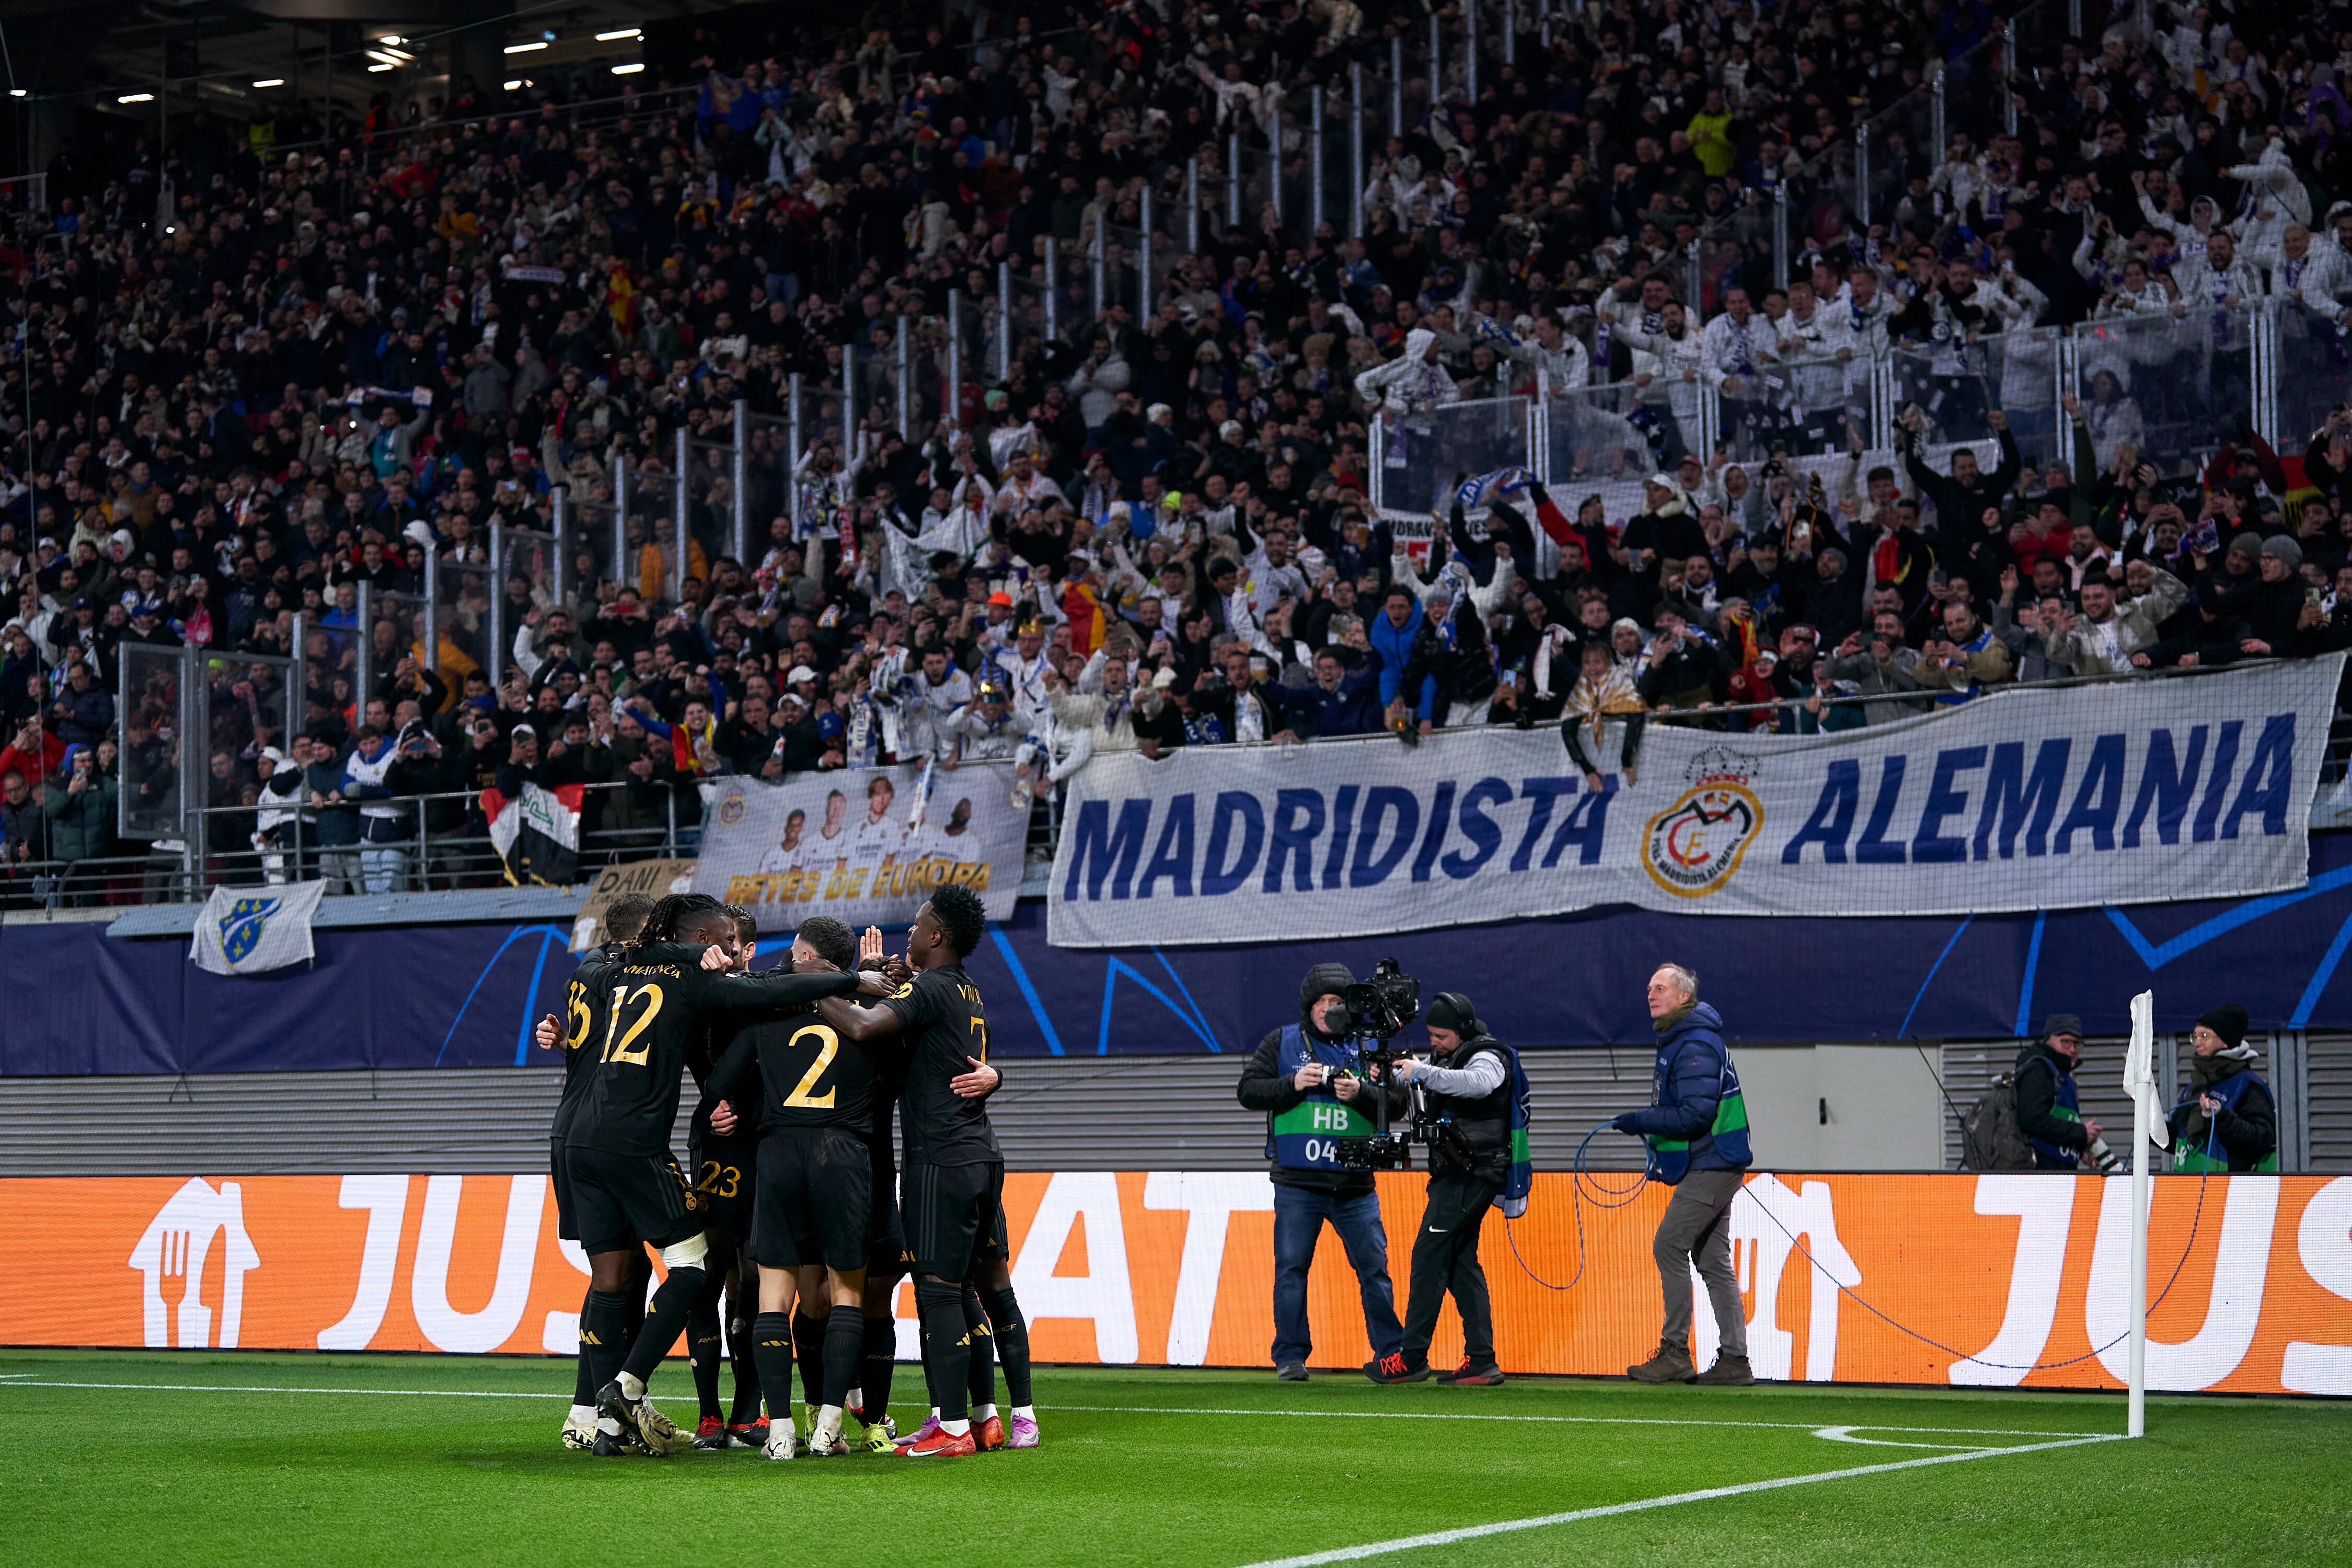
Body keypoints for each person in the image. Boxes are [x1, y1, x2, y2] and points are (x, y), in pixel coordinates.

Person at [558, 893, 870, 1458]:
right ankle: (625, 1390)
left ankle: (601, 1427)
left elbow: (600, 963)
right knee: (696, 1265)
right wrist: (847, 981)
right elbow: (772, 991)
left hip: (579, 1139)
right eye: (725, 941)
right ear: (704, 941)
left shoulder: (619, 970)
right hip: (633, 1143)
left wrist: (672, 949)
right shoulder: (692, 979)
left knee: (613, 1279)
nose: (734, 950)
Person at [810, 884, 1006, 1457]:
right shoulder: (967, 990)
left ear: (937, 936)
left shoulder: (932, 987)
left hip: (940, 1159)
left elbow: (866, 1027)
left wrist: (810, 987)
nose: (910, 936)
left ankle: (950, 1430)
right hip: (979, 1154)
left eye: (918, 927)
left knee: (939, 1292)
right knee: (964, 1289)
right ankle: (980, 1417)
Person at [536, 891, 667, 1454]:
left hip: (575, 1129)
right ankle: (598, 1409)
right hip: (601, 1134)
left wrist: (566, 1040)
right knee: (616, 1273)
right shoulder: (627, 977)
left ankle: (592, 1407)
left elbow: (589, 1042)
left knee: (625, 1269)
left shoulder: (587, 971)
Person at [1236, 962, 1409, 1382]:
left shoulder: (1370, 1046)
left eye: (1336, 1002)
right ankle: (1291, 1357)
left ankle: (1392, 1354)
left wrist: (1364, 1093)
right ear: (1308, 1007)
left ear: (1349, 1007)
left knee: (1375, 1272)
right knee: (1291, 1270)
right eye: (1321, 1002)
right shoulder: (1282, 1042)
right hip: (1298, 1183)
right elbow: (1248, 1091)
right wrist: (1292, 1084)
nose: (1327, 1009)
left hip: (1356, 1185)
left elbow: (1401, 1104)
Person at [1613, 963, 1755, 1387]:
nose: (1651, 995)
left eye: (1660, 988)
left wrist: (1641, 1120)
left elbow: (1696, 1115)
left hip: (1713, 1162)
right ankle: (1735, 1360)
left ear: (1683, 998)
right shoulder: (1688, 1039)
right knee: (1712, 1260)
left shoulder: (1694, 1044)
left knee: (1668, 1246)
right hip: (1719, 1160)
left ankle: (1675, 1352)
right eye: (1649, 988)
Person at [1371, 993, 1521, 1386]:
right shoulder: (1448, 1057)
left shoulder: (1487, 1055)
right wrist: (1392, 1075)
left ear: (1463, 1031)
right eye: (1431, 1035)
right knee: (1459, 1264)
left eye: (1441, 1036)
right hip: (1458, 1173)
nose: (1434, 1042)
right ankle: (1482, 1360)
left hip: (1473, 1173)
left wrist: (1420, 1071)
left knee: (1428, 1256)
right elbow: (1432, 1083)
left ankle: (1412, 1358)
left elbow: (1479, 1084)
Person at [2167, 1002, 2278, 1172]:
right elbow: (2182, 1141)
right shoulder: (2196, 1085)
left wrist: (2221, 1117)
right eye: (2195, 1036)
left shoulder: (2249, 1087)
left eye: (2204, 1036)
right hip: (2188, 1191)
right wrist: (2151, 1128)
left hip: (2234, 1194)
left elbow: (2261, 1140)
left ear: (2226, 1040)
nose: (2197, 1042)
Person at [2014, 1013, 2100, 1171]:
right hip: (2040, 1177)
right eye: (2066, 1042)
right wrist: (2080, 1132)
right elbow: (2032, 1119)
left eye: (2077, 1043)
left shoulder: (2064, 1079)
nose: (2072, 1049)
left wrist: (2079, 1150)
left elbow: (2056, 1127)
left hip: (2060, 1175)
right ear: (2049, 1039)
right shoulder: (2039, 1070)